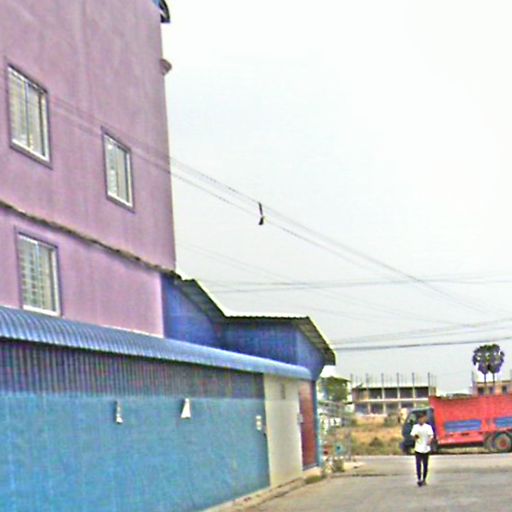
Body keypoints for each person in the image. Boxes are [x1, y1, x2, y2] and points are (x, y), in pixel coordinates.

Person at [410, 411, 434, 487]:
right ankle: (419, 479)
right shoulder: (415, 427)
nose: (421, 420)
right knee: (418, 464)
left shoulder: (428, 427)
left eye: (422, 419)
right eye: (419, 419)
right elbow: (412, 435)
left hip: (426, 448)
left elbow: (431, 435)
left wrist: (429, 441)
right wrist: (415, 437)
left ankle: (424, 479)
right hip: (418, 448)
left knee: (425, 465)